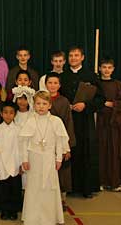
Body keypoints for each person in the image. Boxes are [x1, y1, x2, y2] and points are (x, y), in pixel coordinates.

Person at [60, 46, 105, 198]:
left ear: (82, 57)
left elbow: (100, 99)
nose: (73, 58)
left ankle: (86, 188)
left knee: (85, 152)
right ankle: (70, 187)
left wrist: (85, 105)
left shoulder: (91, 76)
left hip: (85, 121)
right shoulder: (63, 76)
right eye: (71, 55)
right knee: (69, 151)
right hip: (68, 120)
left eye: (76, 55)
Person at [20, 91, 68, 225]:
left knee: (49, 187)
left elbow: (59, 141)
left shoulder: (56, 121)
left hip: (49, 158)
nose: (41, 106)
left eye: (44, 104)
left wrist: (59, 158)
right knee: (34, 188)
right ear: (34, 105)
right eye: (38, 104)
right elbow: (24, 142)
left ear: (50, 105)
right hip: (33, 158)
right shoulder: (30, 121)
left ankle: (49, 218)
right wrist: (24, 159)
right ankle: (33, 218)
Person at [97, 57, 121, 192]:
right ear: (99, 68)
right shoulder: (96, 84)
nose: (106, 70)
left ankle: (115, 182)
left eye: (109, 67)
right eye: (104, 67)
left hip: (114, 124)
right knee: (100, 151)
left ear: (113, 69)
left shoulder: (118, 85)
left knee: (115, 151)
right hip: (99, 123)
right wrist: (102, 104)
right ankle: (100, 181)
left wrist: (114, 104)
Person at [45, 72, 76, 209]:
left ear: (59, 85)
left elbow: (68, 123)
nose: (52, 85)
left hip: (59, 140)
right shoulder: (41, 99)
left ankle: (62, 199)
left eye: (55, 83)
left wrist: (66, 147)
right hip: (45, 142)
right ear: (45, 84)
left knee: (62, 171)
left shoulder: (63, 101)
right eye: (50, 83)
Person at [0, 101, 22, 220]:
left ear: (15, 114)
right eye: (5, 112)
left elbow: (21, 148)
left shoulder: (19, 130)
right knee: (3, 188)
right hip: (2, 162)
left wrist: (20, 164)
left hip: (15, 162)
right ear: (1, 113)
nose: (8, 115)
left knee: (14, 188)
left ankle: (13, 210)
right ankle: (4, 210)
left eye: (11, 113)